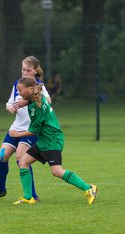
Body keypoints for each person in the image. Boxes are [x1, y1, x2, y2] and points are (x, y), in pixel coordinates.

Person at [9, 76, 98, 205]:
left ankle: (89, 188)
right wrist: (26, 102)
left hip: (51, 140)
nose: (18, 93)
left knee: (56, 171)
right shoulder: (38, 97)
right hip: (45, 140)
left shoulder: (35, 108)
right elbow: (34, 104)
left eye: (20, 90)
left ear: (29, 90)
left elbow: (34, 131)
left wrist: (17, 134)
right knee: (23, 162)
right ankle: (29, 197)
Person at [0, 56, 52, 202]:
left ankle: (32, 196)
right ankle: (0, 189)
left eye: (28, 70)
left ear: (35, 71)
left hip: (30, 130)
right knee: (2, 156)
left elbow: (48, 101)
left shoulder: (39, 86)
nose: (24, 72)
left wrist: (28, 100)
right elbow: (9, 103)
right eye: (23, 69)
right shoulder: (18, 84)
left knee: (21, 158)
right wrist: (10, 107)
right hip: (16, 127)